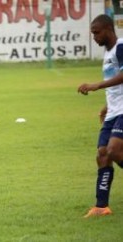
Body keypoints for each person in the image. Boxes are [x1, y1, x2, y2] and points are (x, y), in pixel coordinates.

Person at [78, 14, 123, 217]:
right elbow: (117, 87)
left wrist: (97, 85)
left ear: (108, 30)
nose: (94, 37)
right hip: (113, 111)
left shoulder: (121, 46)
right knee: (102, 154)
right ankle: (101, 206)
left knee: (114, 150)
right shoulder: (108, 54)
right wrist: (106, 106)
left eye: (97, 33)